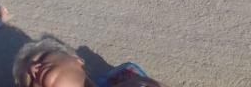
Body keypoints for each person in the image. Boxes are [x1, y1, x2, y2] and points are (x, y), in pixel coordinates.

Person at [12, 38, 166, 87]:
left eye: (43, 56)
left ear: (77, 59)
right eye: (30, 82)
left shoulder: (130, 81)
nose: (32, 68)